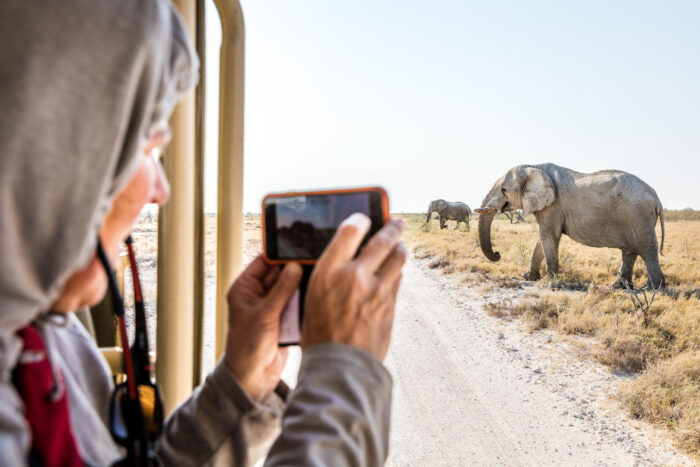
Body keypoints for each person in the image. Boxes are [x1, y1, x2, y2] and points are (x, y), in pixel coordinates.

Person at [0, 1, 406, 465]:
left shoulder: (47, 334)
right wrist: (343, 377)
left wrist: (240, 386)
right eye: (148, 151)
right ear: (49, 155)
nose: (161, 190)